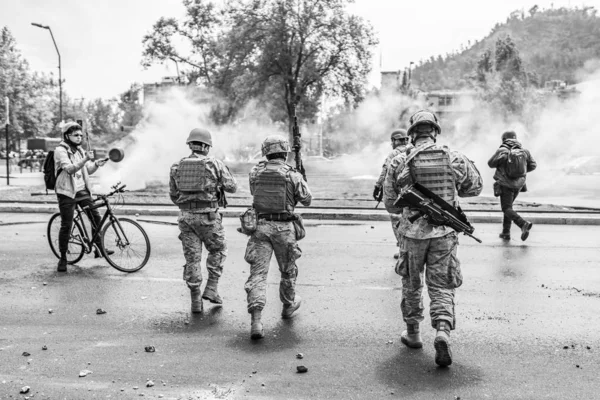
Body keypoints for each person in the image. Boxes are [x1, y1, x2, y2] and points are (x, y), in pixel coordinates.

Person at [386, 110, 482, 367]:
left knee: (411, 283)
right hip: (444, 234)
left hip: (411, 234)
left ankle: (414, 334)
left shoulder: (399, 159)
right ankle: (442, 331)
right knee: (441, 285)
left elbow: (390, 204)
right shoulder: (453, 157)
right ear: (436, 131)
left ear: (412, 133)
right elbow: (475, 187)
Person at [243, 135, 312, 340]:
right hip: (284, 229)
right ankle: (288, 306)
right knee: (288, 270)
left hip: (260, 227)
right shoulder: (292, 174)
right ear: (285, 152)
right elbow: (307, 200)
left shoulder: (255, 172)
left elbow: (255, 193)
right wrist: (301, 178)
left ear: (266, 152)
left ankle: (256, 321)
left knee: (258, 274)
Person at [169, 128, 238, 314]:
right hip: (209, 217)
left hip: (186, 218)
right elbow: (232, 187)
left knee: (192, 259)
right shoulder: (215, 164)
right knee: (218, 250)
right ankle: (212, 288)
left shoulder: (176, 166)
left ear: (190, 145)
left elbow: (173, 195)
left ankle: (195, 300)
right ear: (206, 147)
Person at [54, 121, 108, 272]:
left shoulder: (80, 150)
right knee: (67, 225)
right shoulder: (60, 150)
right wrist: (85, 159)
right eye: (76, 135)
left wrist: (96, 164)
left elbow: (86, 170)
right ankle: (63, 258)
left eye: (81, 135)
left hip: (81, 190)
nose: (79, 138)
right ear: (67, 135)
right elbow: (70, 169)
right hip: (66, 192)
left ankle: (98, 246)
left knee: (95, 216)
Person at [487, 131, 537, 241]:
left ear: (503, 139)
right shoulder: (524, 151)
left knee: (506, 208)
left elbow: (490, 164)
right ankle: (506, 232)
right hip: (519, 185)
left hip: (506, 184)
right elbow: (533, 165)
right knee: (508, 207)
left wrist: (507, 169)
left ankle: (523, 224)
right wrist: (520, 172)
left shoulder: (502, 150)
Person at [373, 128, 414, 259]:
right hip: (414, 193)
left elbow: (385, 172)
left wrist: (377, 186)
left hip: (397, 194)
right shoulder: (414, 150)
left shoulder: (394, 154)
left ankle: (403, 250)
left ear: (394, 141)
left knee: (396, 219)